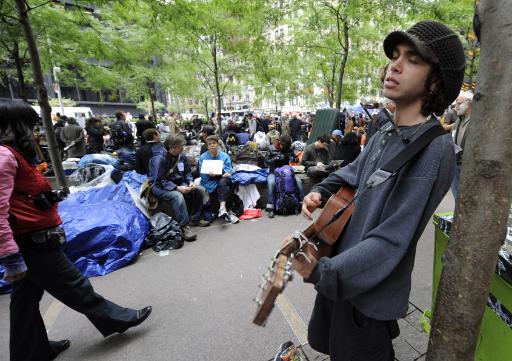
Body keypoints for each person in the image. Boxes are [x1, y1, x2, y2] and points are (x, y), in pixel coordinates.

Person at [296, 20, 464, 361]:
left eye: (413, 59)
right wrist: (323, 191)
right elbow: (356, 172)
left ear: (436, 80)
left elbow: (392, 238)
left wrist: (321, 270)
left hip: (367, 289)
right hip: (343, 264)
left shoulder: (433, 148)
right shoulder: (388, 130)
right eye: (395, 55)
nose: (395, 65)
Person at [0, 99, 152, 361]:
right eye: (28, 124)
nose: (33, 131)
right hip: (30, 242)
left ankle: (32, 351)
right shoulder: (4, 156)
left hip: (30, 238)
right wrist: (11, 258)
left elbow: (19, 197)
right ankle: (116, 319)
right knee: (74, 285)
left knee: (24, 301)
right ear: (13, 125)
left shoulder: (10, 154)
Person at [148, 135, 209, 242]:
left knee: (199, 189)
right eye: (180, 146)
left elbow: (187, 172)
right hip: (160, 187)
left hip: (179, 183)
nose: (183, 148)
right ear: (171, 147)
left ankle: (195, 218)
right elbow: (159, 180)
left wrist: (190, 182)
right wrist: (176, 188)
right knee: (178, 196)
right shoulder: (159, 159)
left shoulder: (181, 157)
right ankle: (184, 227)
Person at [198, 135, 238, 223]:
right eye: (209, 144)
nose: (212, 145)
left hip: (222, 179)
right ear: (207, 146)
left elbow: (228, 170)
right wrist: (210, 175)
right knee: (223, 183)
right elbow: (202, 174)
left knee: (223, 181)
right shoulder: (203, 158)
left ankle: (223, 208)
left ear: (217, 144)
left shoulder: (224, 156)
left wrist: (220, 173)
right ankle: (223, 209)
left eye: (214, 143)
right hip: (210, 181)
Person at [264, 135, 304, 218]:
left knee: (299, 181)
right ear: (279, 143)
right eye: (283, 146)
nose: (283, 148)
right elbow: (266, 162)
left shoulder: (288, 149)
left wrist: (293, 158)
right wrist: (276, 158)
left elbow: (296, 159)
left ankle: (302, 203)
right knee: (271, 183)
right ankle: (271, 208)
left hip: (286, 173)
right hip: (273, 172)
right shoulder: (271, 148)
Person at [451, 91, 473, 199]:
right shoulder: (458, 121)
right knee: (457, 196)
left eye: (459, 104)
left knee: (466, 198)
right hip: (455, 163)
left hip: (468, 166)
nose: (456, 107)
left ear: (468, 103)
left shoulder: (476, 122)